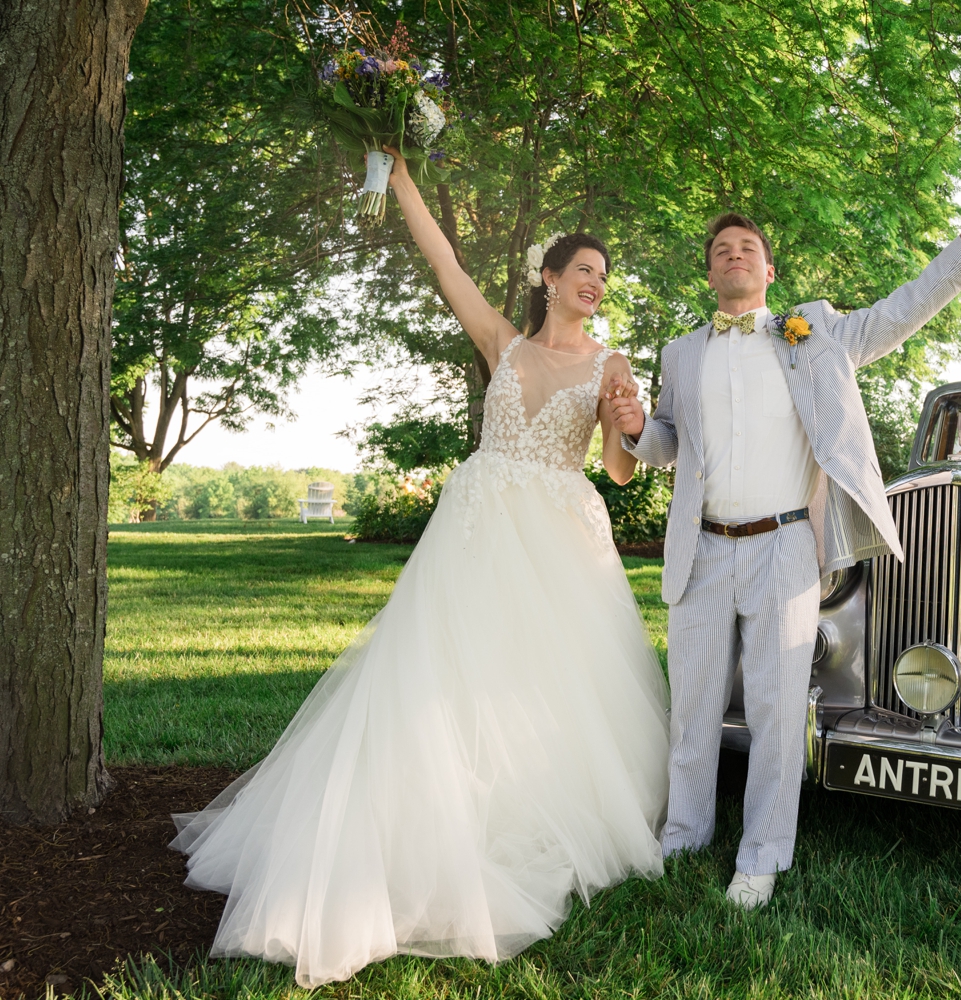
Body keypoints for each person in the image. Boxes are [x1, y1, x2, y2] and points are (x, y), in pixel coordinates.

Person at [170, 149, 669, 988]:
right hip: (476, 534)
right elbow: (443, 260)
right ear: (547, 276)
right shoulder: (501, 342)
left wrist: (627, 419)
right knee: (444, 670)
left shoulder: (610, 363)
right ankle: (427, 817)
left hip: (560, 539)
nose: (595, 282)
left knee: (546, 682)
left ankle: (533, 807)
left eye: (602, 275)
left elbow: (621, 467)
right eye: (582, 269)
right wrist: (400, 176)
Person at [607, 186, 961, 908]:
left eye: (747, 249)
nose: (734, 256)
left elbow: (894, 316)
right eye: (721, 250)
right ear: (709, 275)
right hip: (700, 549)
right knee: (692, 705)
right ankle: (684, 834)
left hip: (785, 545)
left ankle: (760, 856)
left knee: (776, 709)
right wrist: (637, 427)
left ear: (768, 269)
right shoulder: (681, 352)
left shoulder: (810, 331)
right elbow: (667, 442)